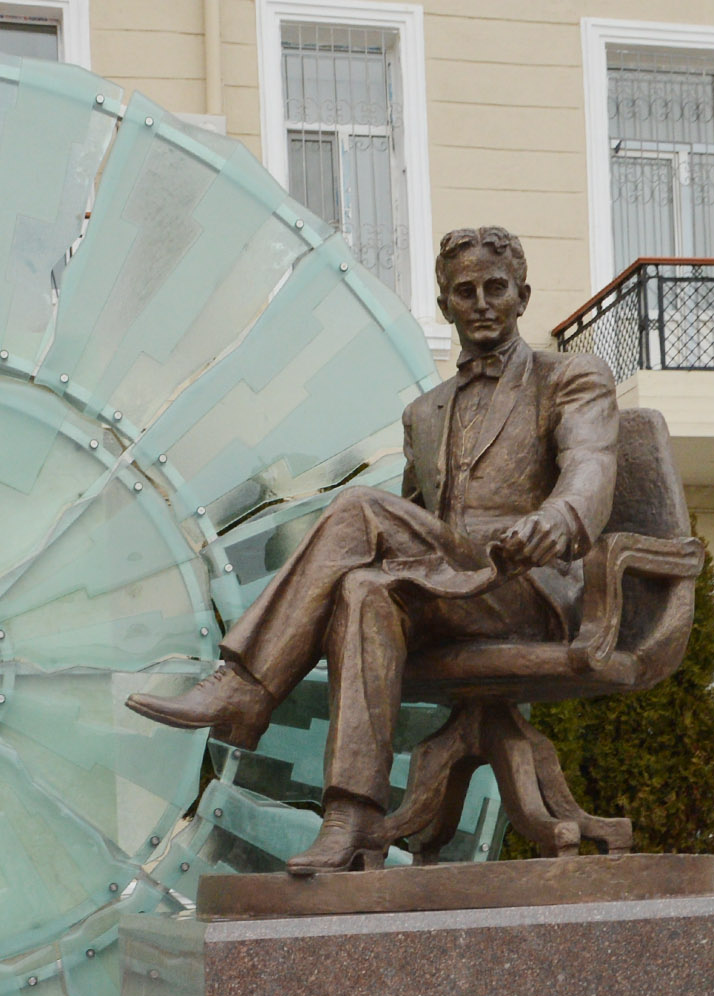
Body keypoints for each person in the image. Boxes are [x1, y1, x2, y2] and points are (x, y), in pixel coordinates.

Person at [125, 226, 618, 873]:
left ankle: (247, 685)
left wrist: (558, 519)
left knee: (359, 507)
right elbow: (411, 523)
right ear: (444, 307)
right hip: (448, 587)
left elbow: (592, 465)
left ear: (522, 295)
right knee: (365, 591)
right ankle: (351, 817)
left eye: (495, 288)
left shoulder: (570, 377)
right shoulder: (424, 413)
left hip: (525, 585)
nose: (481, 302)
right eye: (463, 292)